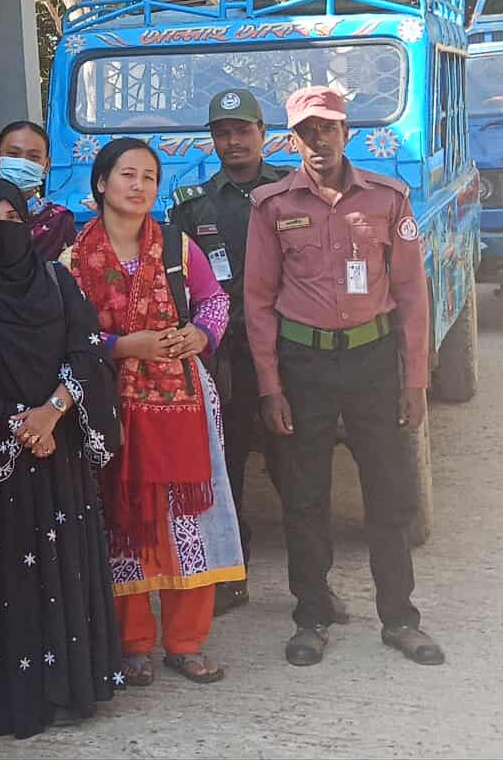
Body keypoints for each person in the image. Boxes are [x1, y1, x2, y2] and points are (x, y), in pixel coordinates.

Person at [245, 86, 444, 667]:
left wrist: (415, 380)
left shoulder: (387, 198)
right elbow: (258, 301)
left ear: (346, 132)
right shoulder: (272, 206)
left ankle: (400, 618)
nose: (319, 140)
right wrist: (270, 386)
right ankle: (311, 616)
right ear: (292, 140)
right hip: (303, 365)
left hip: (372, 362)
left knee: (389, 493)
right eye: (306, 131)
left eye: (328, 128)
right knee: (304, 497)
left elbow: (412, 294)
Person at [0, 178, 124, 736]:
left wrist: (52, 413)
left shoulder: (56, 281)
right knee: (5, 578)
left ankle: (69, 686)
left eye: (13, 219)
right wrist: (21, 423)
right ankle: (12, 698)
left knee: (64, 567)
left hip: (59, 452)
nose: (4, 230)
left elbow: (86, 351)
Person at [68, 138, 244, 686]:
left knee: (187, 519)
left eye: (149, 176)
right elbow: (66, 334)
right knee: (125, 520)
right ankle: (133, 644)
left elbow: (215, 300)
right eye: (127, 174)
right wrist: (123, 347)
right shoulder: (73, 258)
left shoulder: (176, 245)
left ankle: (186, 642)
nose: (139, 185)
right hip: (109, 405)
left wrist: (200, 334)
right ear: (102, 183)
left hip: (182, 404)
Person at [166, 88, 290, 617]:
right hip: (226, 356)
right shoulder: (193, 206)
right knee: (227, 464)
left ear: (263, 133)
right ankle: (232, 577)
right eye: (222, 133)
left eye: (242, 130)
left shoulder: (291, 191)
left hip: (286, 352)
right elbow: (182, 285)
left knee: (295, 466)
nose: (233, 141)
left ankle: (312, 587)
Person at [0, 122, 77, 262]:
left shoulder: (59, 221)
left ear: (46, 165)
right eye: (13, 154)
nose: (22, 164)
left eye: (33, 157)